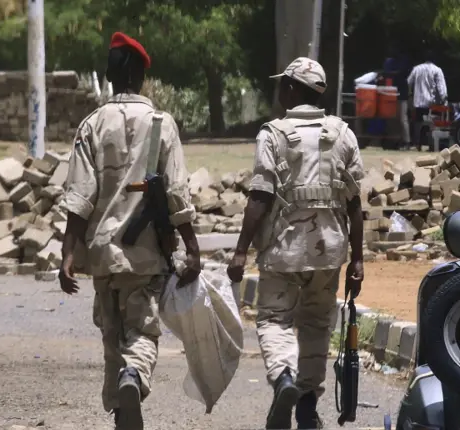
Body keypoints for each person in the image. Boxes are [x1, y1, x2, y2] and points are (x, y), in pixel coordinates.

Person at [58, 31, 201, 430]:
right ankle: (133, 378)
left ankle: (123, 412)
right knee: (141, 333)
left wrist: (68, 254)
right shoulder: (162, 124)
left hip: (103, 254)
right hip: (146, 252)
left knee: (111, 339)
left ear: (111, 74)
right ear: (140, 74)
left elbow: (78, 198)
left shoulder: (91, 125)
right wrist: (192, 247)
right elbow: (176, 193)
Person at [227, 57, 365, 430]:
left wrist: (241, 250)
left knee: (275, 320)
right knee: (317, 325)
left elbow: (260, 197)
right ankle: (306, 404)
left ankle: (284, 378)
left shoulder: (273, 134)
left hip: (283, 251)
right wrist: (358, 260)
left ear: (290, 88)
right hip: (329, 250)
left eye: (282, 85)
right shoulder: (343, 134)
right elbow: (354, 202)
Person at [407, 49, 448, 150]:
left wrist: (410, 94)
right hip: (431, 103)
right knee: (432, 124)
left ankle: (417, 144)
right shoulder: (437, 70)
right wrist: (443, 99)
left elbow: (408, 82)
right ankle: (431, 145)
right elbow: (441, 87)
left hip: (418, 102)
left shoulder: (417, 69)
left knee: (417, 124)